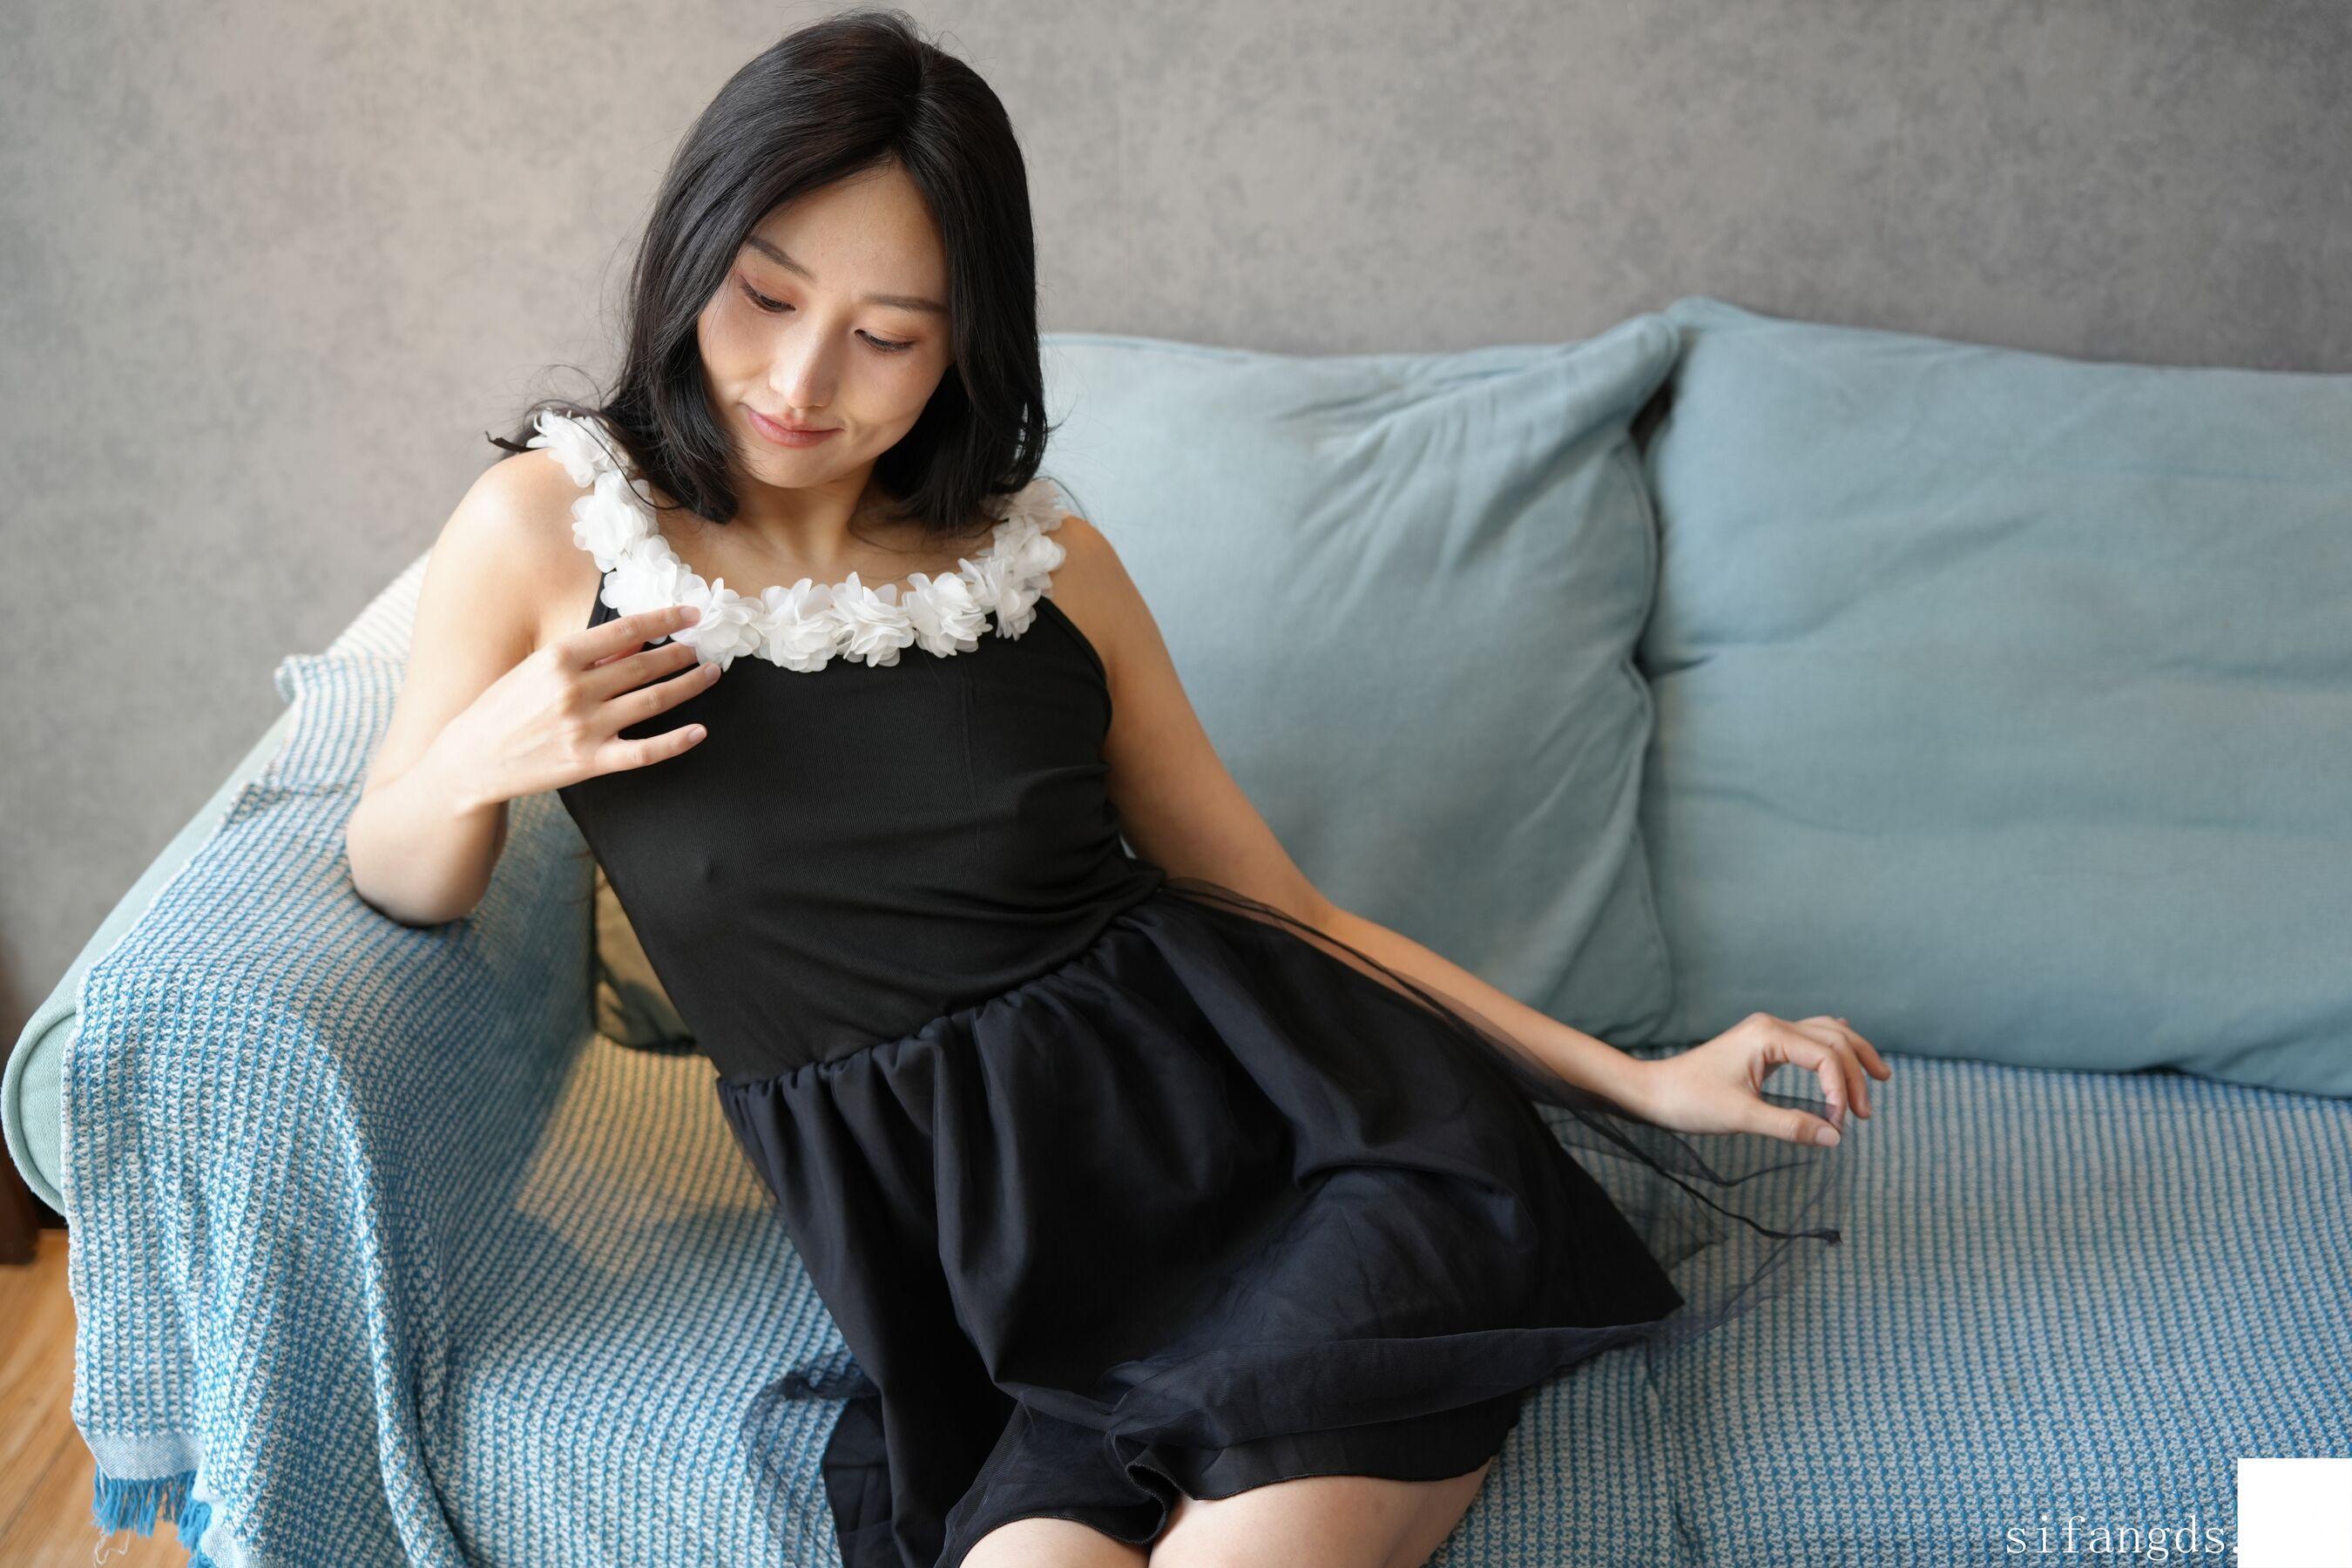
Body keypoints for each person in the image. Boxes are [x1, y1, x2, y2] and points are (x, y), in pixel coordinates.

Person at [347, 11, 1885, 1567]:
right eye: (766, 296)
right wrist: (485, 754)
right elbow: (408, 871)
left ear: (966, 344)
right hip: (987, 1298)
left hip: (1302, 1183)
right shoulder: (548, 530)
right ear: (694, 250)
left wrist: (1641, 1082)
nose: (801, 380)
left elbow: (1279, 911)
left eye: (890, 335)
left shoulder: (1045, 568)